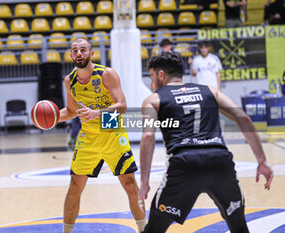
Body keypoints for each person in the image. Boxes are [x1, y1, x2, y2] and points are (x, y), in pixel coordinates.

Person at [138, 52, 273, 233]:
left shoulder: (153, 100)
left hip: (184, 164)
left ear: (161, 75)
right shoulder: (210, 91)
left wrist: (145, 182)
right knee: (239, 227)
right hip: (220, 161)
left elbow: (148, 137)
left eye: (152, 76)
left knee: (154, 228)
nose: (151, 82)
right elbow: (243, 118)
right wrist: (262, 161)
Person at [58, 37, 146, 233]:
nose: (79, 53)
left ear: (91, 53)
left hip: (112, 132)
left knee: (130, 184)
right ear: (71, 55)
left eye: (83, 50)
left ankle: (143, 229)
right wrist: (53, 117)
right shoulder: (69, 80)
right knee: (74, 186)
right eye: (75, 50)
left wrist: (96, 113)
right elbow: (71, 110)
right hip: (88, 137)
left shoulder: (106, 74)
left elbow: (122, 106)